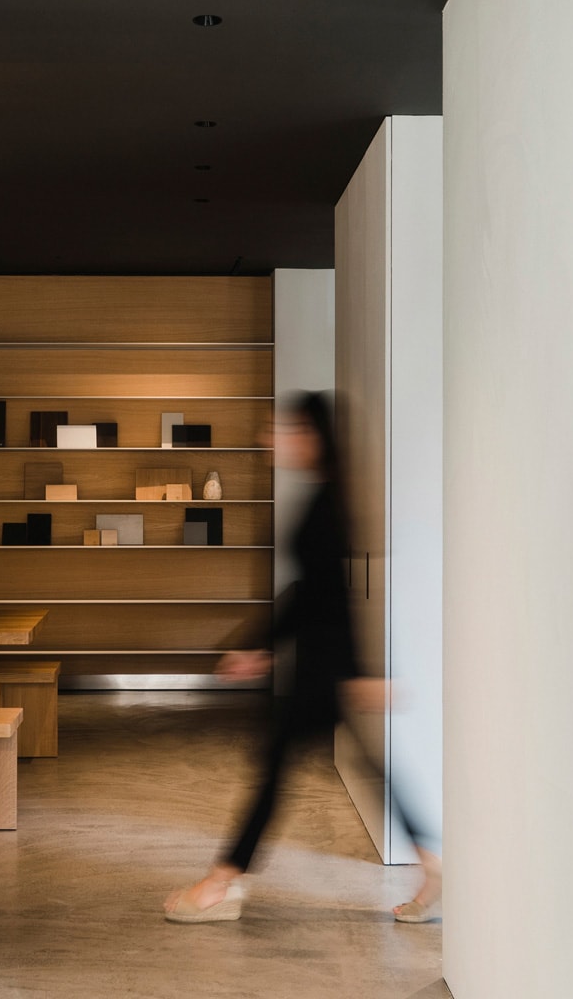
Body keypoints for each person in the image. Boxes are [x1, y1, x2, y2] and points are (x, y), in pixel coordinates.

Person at [163, 391, 441, 924]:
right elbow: (311, 592)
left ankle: (219, 885)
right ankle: (433, 867)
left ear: (310, 437)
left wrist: (357, 670)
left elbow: (330, 597)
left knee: (274, 770)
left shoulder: (327, 503)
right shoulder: (324, 495)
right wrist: (261, 645)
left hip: (324, 667)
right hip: (324, 664)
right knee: (351, 768)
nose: (269, 438)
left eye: (280, 429)